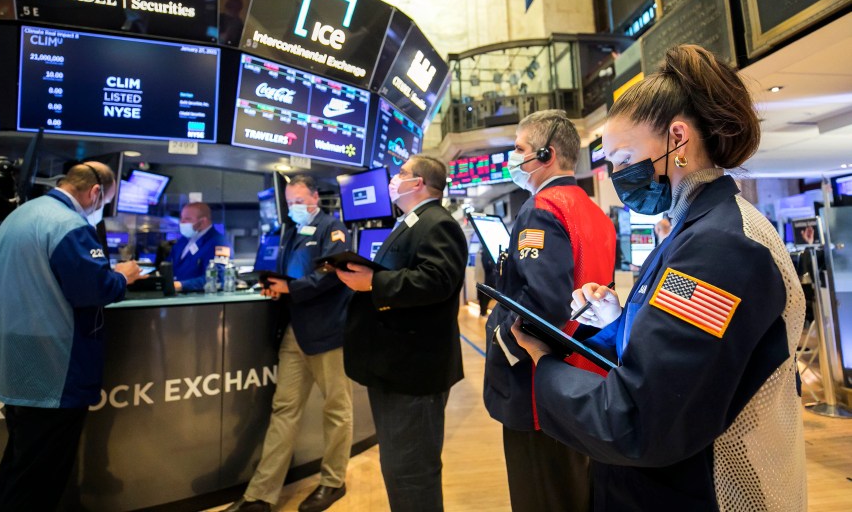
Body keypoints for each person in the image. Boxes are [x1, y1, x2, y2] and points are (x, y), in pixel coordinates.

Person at [512, 44, 807, 510]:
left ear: (677, 137)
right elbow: (679, 354)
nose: (616, 175)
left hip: (710, 490)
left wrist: (543, 368)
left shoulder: (722, 246)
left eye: (624, 157)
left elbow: (640, 419)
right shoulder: (692, 229)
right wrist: (617, 321)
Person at [0, 161, 142, 511]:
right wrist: (122, 276)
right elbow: (93, 289)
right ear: (94, 193)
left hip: (19, 359)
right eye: (106, 202)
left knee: (20, 464)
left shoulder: (20, 216)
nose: (102, 211)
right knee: (41, 477)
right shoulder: (70, 225)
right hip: (53, 367)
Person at [483, 110, 616, 512]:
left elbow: (542, 303)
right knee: (576, 490)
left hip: (542, 386)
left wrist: (500, 336)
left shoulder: (543, 208)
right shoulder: (594, 212)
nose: (514, 158)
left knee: (542, 494)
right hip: (586, 378)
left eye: (520, 149)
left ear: (547, 153)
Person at [336, 155, 467, 512]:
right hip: (396, 368)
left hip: (414, 372)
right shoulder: (413, 221)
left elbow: (437, 280)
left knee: (411, 473)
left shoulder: (438, 223)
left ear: (419, 182)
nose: (394, 179)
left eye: (402, 174)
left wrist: (373, 281)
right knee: (399, 469)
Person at [226, 175, 354, 512]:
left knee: (337, 411)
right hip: (295, 332)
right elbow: (287, 271)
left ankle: (332, 481)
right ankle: (261, 494)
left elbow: (332, 273)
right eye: (290, 201)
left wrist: (291, 289)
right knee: (284, 411)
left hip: (327, 333)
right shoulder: (292, 231)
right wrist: (273, 283)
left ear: (314, 197)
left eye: (299, 200)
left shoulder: (334, 228)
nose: (294, 207)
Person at [167, 201, 227, 292]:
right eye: (181, 218)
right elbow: (169, 266)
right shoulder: (183, 241)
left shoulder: (219, 243)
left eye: (187, 219)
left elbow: (218, 277)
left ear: (203, 221)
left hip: (200, 300)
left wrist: (182, 285)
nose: (182, 222)